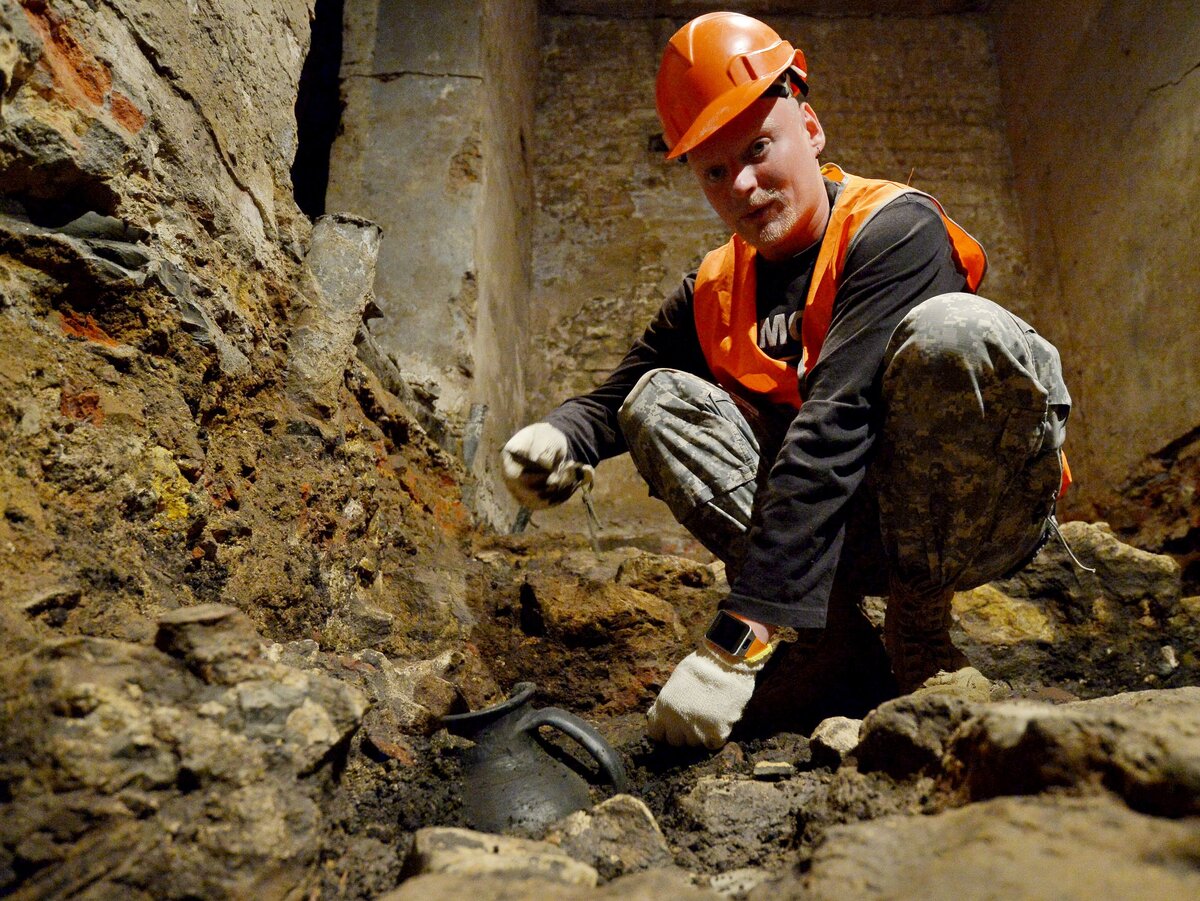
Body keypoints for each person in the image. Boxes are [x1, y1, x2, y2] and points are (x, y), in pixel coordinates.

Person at [501, 11, 1071, 749]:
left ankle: (919, 627)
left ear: (810, 126)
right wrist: (559, 435)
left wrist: (735, 644)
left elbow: (834, 426)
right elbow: (621, 394)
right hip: (843, 538)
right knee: (657, 400)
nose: (742, 183)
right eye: (714, 169)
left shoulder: (893, 230)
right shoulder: (716, 286)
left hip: (976, 518)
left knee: (953, 333)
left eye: (759, 148)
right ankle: (832, 641)